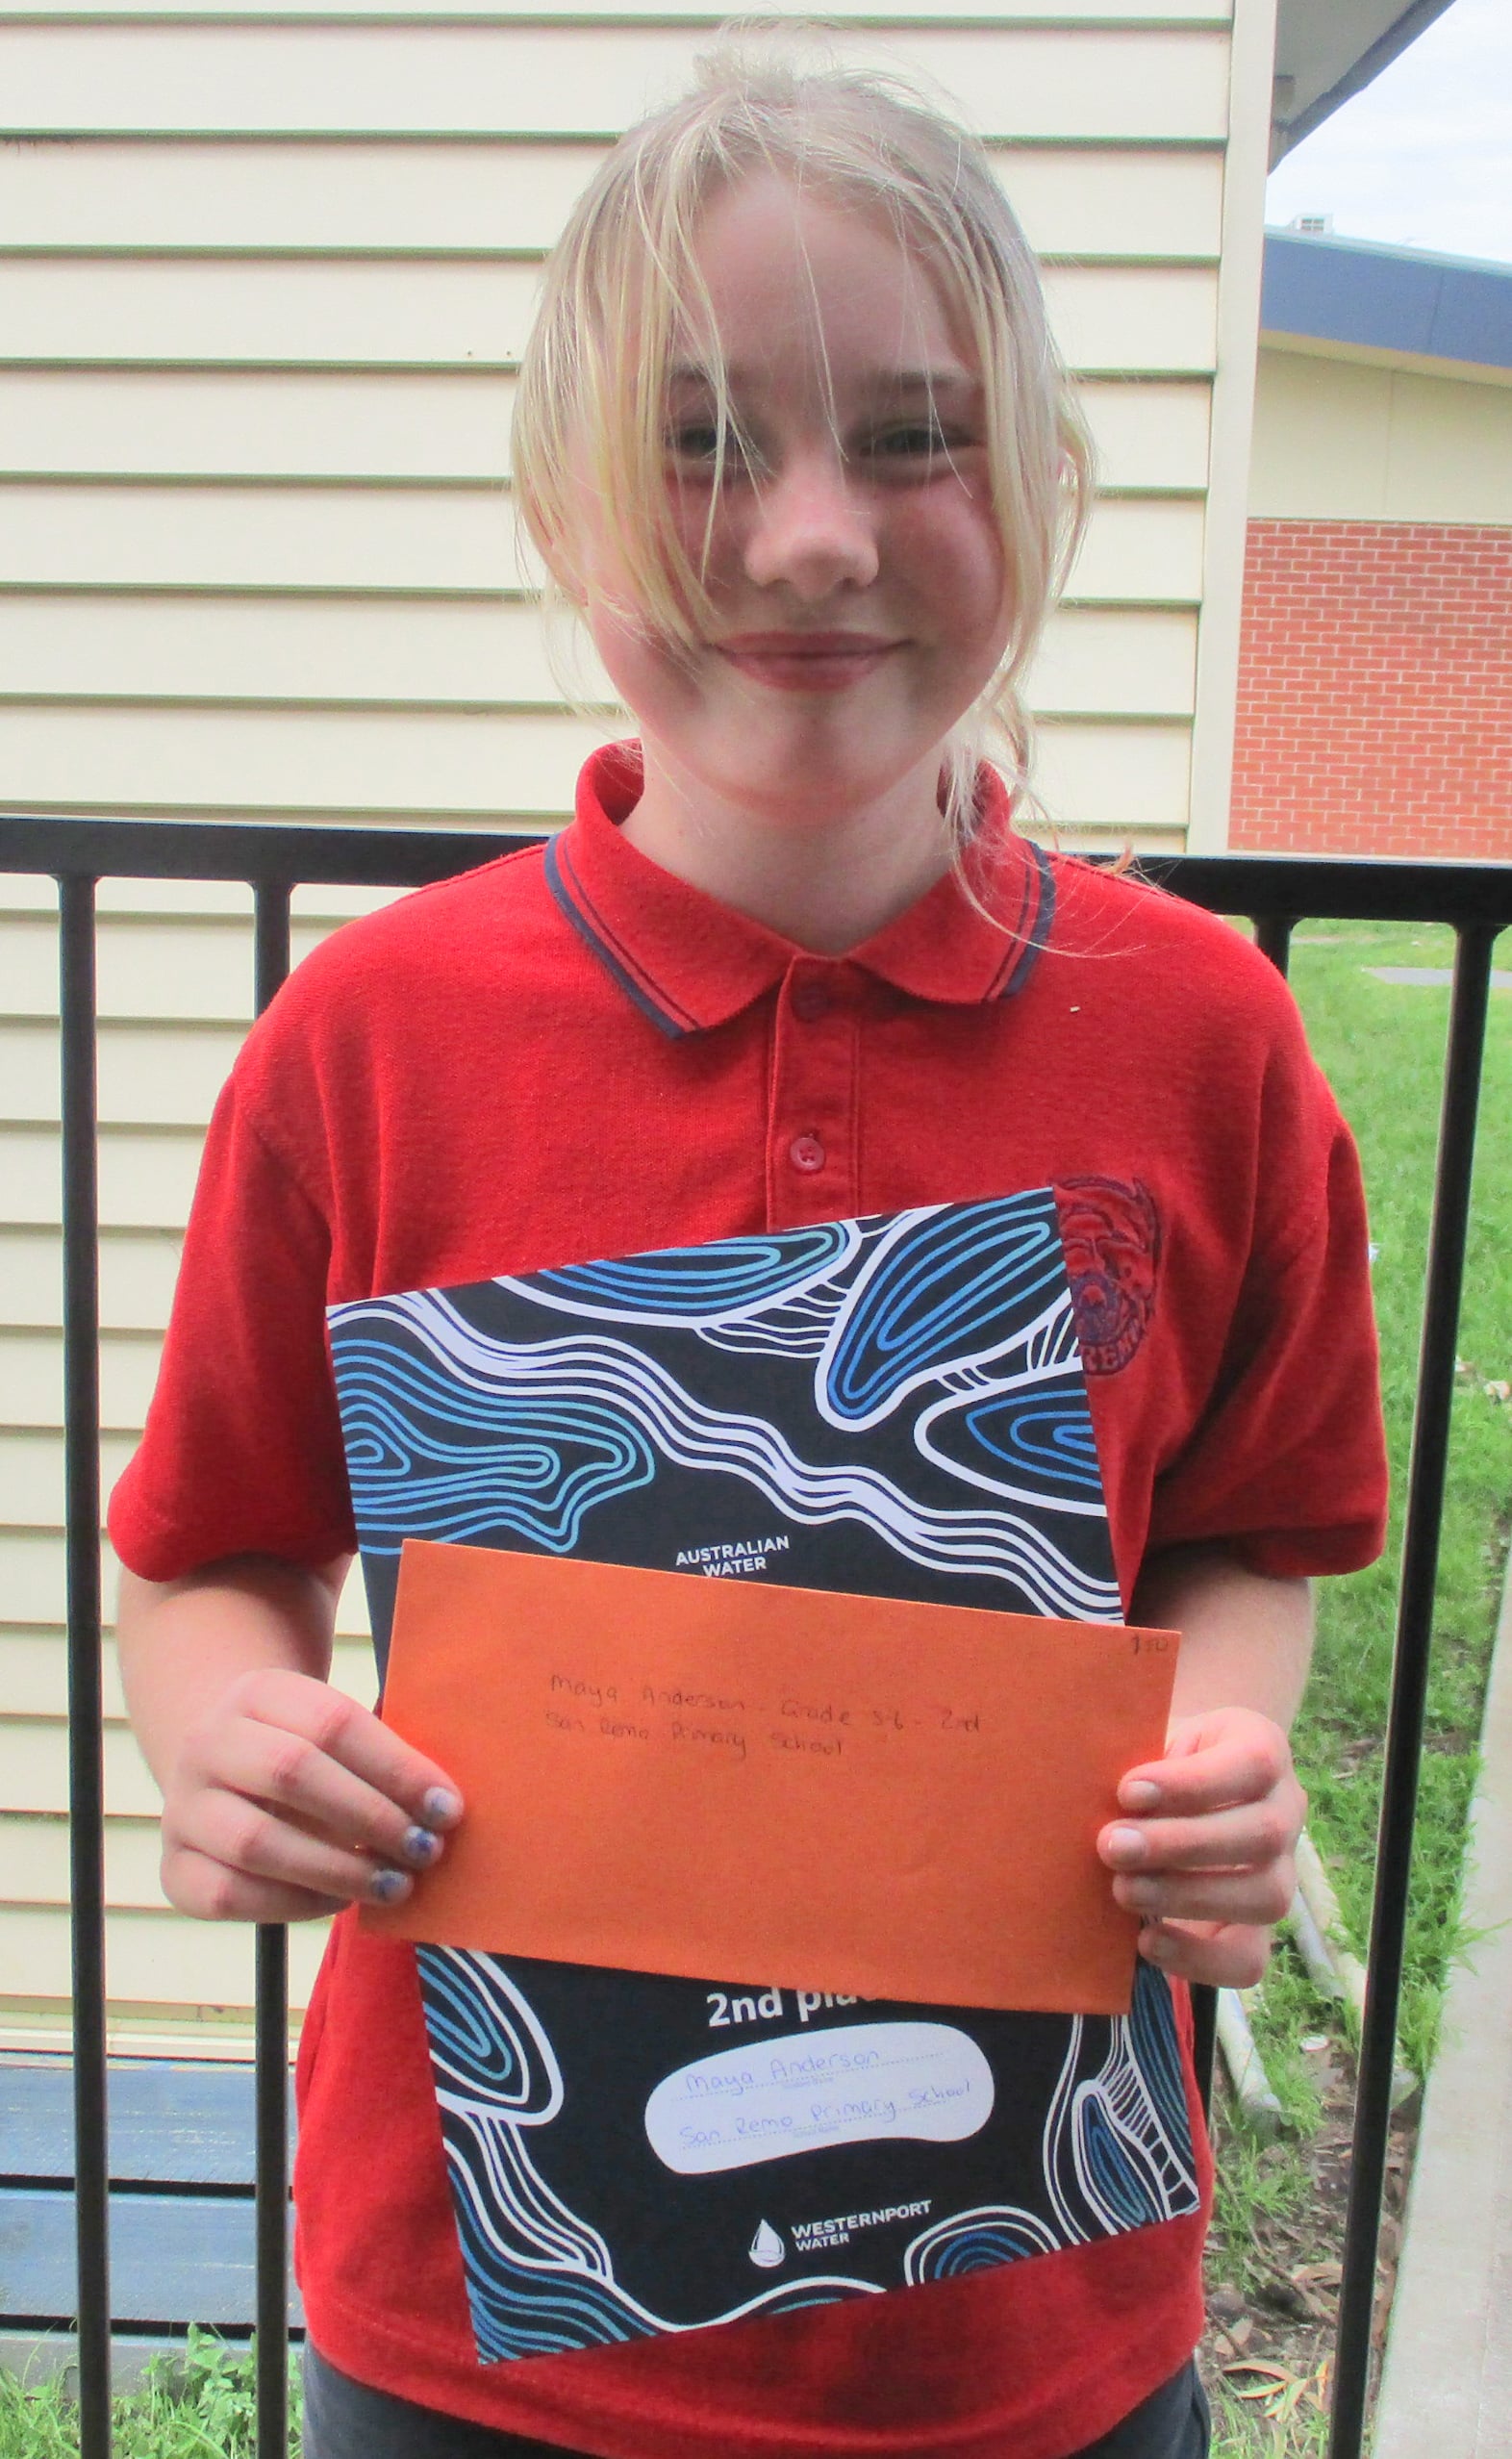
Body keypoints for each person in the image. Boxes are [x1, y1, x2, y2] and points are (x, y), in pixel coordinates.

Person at [110, 37, 1387, 2459]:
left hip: (1036, 2338)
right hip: (473, 2332)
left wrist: (1219, 1757)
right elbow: (212, 1553)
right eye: (701, 439)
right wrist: (224, 1738)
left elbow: (1252, 1526)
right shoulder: (368, 1043)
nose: (810, 538)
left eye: (911, 436)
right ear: (560, 502)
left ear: (1042, 481)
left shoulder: (1206, 1041)